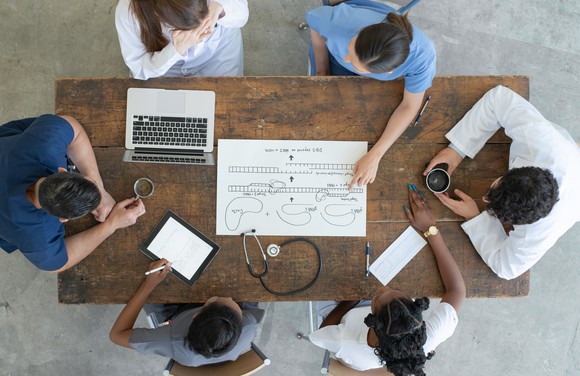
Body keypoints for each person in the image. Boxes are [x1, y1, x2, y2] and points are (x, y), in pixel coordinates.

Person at [423, 85, 580, 280]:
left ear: (522, 224)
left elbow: (506, 269)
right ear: (521, 171)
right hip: (569, 156)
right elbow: (498, 99)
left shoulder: (538, 234)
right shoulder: (541, 141)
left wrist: (474, 217)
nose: (483, 197)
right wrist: (458, 149)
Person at [309, 187, 465, 375]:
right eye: (394, 290)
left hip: (344, 311)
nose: (382, 286)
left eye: (379, 296)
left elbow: (323, 331)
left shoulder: (345, 341)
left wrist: (351, 301)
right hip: (369, 311)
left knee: (318, 269)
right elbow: (457, 290)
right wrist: (430, 230)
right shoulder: (432, 334)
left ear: (373, 322)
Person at [306, 0, 436, 191]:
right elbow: (315, 26)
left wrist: (375, 154)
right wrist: (322, 70)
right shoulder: (337, 22)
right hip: (330, 57)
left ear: (390, 72)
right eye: (351, 47)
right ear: (362, 31)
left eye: (356, 65)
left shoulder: (422, 56)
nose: (346, 58)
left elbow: (410, 105)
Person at [0, 114, 146, 272]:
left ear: (62, 170)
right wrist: (111, 225)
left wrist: (100, 189)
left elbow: (73, 127)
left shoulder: (45, 144)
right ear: (63, 219)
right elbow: (58, 264)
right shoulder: (35, 235)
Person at [109, 259, 264, 366]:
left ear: (196, 314)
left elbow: (117, 335)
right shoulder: (248, 326)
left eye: (222, 298)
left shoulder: (171, 340)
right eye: (232, 302)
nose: (230, 296)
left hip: (176, 316)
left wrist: (149, 285)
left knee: (146, 289)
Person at [115, 0, 249, 79]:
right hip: (164, 65)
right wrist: (175, 50)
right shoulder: (128, 11)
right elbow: (139, 68)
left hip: (217, 52)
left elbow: (242, 15)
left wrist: (220, 8)